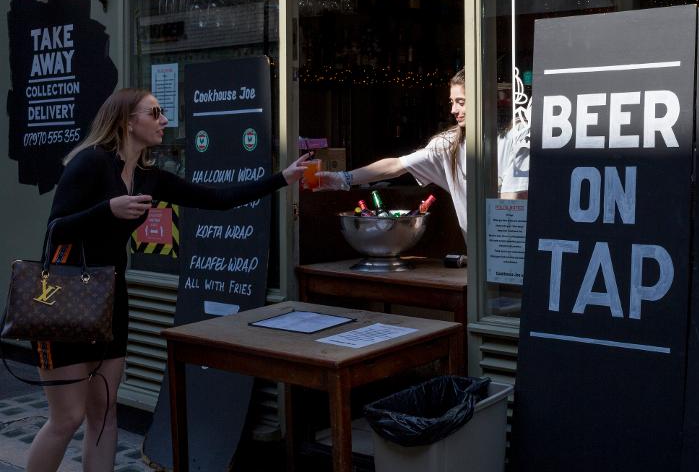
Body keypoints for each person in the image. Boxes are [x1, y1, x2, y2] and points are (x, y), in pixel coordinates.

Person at [25, 88, 310, 472]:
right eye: (155, 113)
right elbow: (56, 231)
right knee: (68, 417)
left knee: (105, 413)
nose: (164, 121)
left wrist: (282, 178)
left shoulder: (149, 177)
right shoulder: (90, 163)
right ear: (128, 121)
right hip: (62, 298)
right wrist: (108, 209)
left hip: (110, 300)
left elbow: (217, 199)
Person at [314, 69, 529, 238]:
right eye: (452, 102)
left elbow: (514, 200)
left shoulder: (517, 135)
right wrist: (342, 179)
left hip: (513, 250)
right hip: (479, 258)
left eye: (461, 102)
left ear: (484, 101)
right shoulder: (449, 144)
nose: (453, 110)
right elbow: (396, 166)